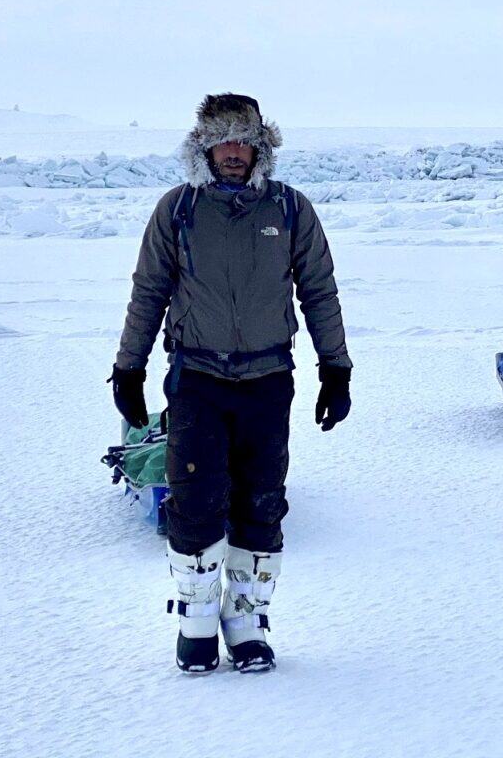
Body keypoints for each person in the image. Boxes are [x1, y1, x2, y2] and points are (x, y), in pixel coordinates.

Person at [109, 93, 353, 673]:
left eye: (244, 141)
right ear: (205, 148)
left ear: (260, 147)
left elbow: (319, 292)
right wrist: (129, 366)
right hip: (197, 377)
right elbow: (149, 292)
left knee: (261, 504)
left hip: (269, 379)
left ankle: (245, 620)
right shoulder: (178, 211)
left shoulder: (290, 210)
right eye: (223, 141)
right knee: (194, 504)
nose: (234, 153)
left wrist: (336, 368)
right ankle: (195, 622)